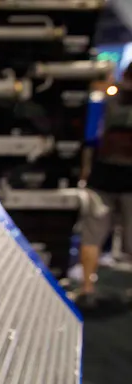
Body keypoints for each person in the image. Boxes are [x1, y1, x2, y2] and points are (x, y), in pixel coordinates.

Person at [79, 63, 132, 306]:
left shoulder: (107, 99)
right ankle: (87, 288)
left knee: (93, 234)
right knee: (94, 234)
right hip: (111, 178)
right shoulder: (107, 98)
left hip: (104, 176)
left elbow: (90, 139)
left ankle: (87, 288)